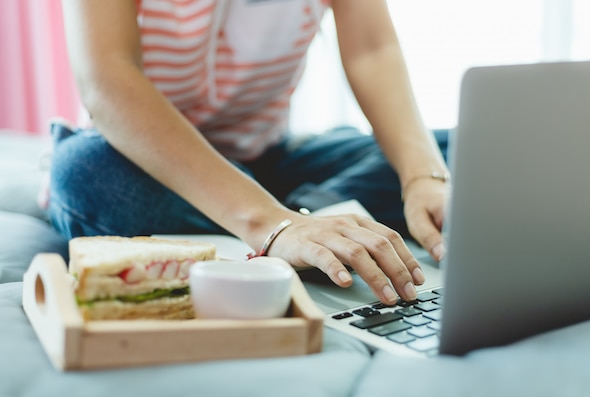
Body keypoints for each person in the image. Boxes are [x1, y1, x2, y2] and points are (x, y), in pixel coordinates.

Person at [48, 0, 450, 306]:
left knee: (458, 150)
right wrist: (269, 222)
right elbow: (107, 80)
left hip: (269, 159)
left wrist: (423, 177)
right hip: (151, 166)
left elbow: (372, 51)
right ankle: (297, 223)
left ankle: (304, 220)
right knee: (84, 173)